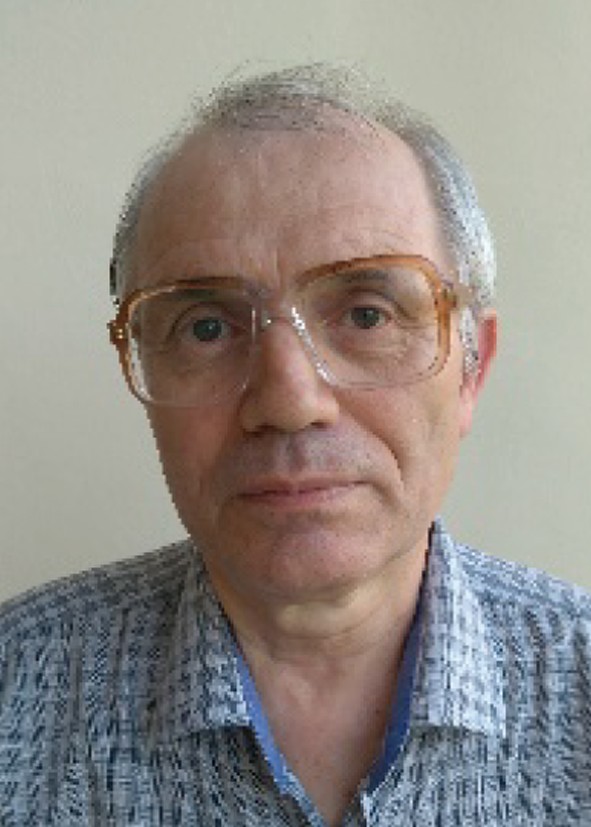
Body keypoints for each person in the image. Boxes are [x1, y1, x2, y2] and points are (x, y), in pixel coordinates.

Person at [1, 64, 590, 827]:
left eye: (367, 314)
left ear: (471, 369)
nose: (287, 401)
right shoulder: (18, 685)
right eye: (205, 327)